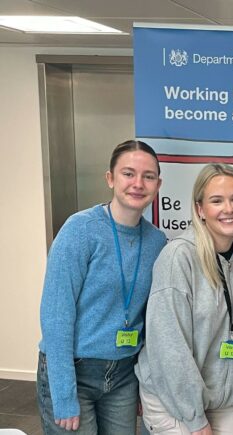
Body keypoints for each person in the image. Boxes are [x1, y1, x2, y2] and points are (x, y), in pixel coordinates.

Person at [37, 140, 167, 434]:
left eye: (148, 176)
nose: (138, 183)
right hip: (74, 369)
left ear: (158, 184)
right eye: (128, 173)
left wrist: (145, 384)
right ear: (110, 178)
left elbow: (151, 319)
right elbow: (56, 316)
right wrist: (64, 395)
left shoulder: (157, 242)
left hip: (122, 374)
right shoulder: (80, 230)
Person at [135, 164, 233, 435]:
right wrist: (196, 421)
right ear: (199, 210)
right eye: (216, 201)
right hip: (174, 397)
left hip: (226, 395)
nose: (228, 209)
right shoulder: (178, 257)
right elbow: (169, 348)